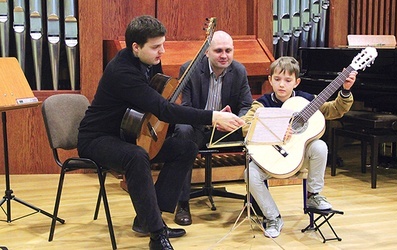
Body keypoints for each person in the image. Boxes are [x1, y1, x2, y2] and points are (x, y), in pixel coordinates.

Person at [77, 15, 244, 250]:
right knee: (136, 156)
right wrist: (213, 116)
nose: (162, 51)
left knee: (186, 147)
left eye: (163, 44)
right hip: (98, 138)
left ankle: (148, 219)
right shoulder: (122, 71)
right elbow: (163, 109)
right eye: (156, 46)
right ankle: (157, 235)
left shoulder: (149, 60)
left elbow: (160, 98)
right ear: (136, 47)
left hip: (129, 132)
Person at [241, 56, 357, 238]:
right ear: (270, 80)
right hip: (271, 159)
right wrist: (277, 130)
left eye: (288, 80)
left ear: (297, 82)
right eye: (277, 79)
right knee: (250, 173)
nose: (282, 85)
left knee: (319, 146)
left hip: (300, 158)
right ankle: (273, 217)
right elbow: (246, 126)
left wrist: (345, 91)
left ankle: (314, 195)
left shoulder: (306, 101)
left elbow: (334, 110)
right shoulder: (262, 103)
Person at [172, 30, 253, 226]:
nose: (224, 55)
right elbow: (186, 109)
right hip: (198, 127)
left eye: (228, 50)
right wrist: (213, 119)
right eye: (218, 51)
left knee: (255, 129)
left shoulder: (239, 70)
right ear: (206, 52)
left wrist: (236, 120)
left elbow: (247, 106)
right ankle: (182, 203)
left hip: (227, 130)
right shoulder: (189, 69)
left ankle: (255, 203)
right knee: (182, 131)